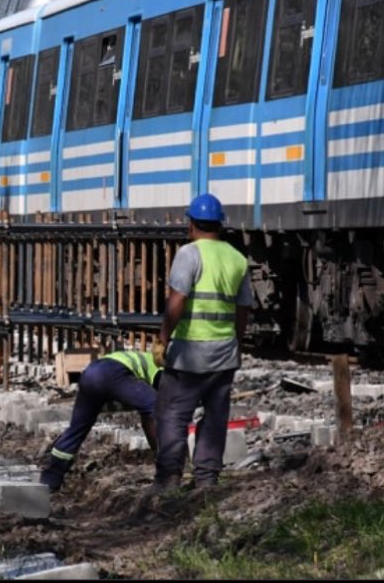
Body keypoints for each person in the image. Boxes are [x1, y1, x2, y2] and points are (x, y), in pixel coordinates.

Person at [151, 193, 252, 492]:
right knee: (215, 417)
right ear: (220, 225)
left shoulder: (189, 254)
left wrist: (163, 339)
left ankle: (169, 479)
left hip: (189, 353)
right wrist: (237, 342)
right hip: (223, 354)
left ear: (191, 224)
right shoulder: (238, 258)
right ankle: (207, 478)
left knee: (172, 415)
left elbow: (178, 299)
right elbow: (243, 309)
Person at [39, 350, 162, 493]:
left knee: (77, 429)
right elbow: (157, 406)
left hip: (91, 373)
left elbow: (145, 413)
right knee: (159, 405)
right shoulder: (161, 370)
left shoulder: (141, 358)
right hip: (113, 373)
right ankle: (167, 465)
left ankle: (51, 479)